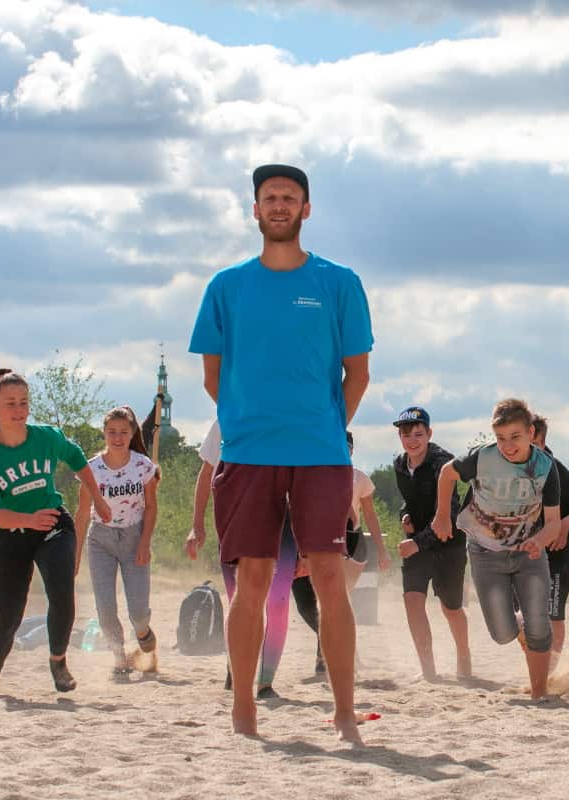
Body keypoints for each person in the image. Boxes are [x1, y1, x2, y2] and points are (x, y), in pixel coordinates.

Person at [189, 163, 373, 741]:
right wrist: (245, 426)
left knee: (328, 576)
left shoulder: (338, 282)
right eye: (269, 197)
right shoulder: (226, 286)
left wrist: (323, 426)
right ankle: (244, 710)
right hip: (247, 455)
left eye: (289, 197)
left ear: (306, 209)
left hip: (320, 454)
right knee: (253, 578)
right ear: (255, 210)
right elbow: (212, 376)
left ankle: (344, 713)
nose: (279, 205)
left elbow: (358, 373)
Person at [0, 369, 112, 694]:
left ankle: (58, 661)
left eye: (24, 402)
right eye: (10, 403)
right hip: (12, 535)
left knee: (61, 590)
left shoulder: (45, 437)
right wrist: (28, 520)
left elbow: (76, 458)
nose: (19, 410)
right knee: (6, 618)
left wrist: (98, 499)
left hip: (52, 526)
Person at [432, 398, 561, 700]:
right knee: (501, 633)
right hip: (485, 552)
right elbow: (448, 474)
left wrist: (537, 541)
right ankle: (517, 625)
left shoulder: (545, 468)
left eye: (515, 437)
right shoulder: (481, 458)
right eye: (501, 438)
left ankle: (539, 694)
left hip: (528, 553)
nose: (508, 445)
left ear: (531, 433)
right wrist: (441, 515)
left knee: (539, 625)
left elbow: (554, 523)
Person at [186, 420, 321, 695]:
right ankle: (236, 670)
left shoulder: (292, 415)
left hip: (283, 520)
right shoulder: (228, 414)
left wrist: (306, 548)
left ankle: (265, 681)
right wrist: (196, 523)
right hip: (235, 515)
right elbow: (207, 470)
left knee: (278, 601)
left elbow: (304, 486)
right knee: (240, 599)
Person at [75, 406, 159, 676]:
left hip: (134, 537)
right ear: (104, 433)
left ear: (132, 433)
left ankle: (144, 633)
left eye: (124, 432)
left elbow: (151, 507)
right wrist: (75, 556)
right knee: (106, 607)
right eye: (112, 432)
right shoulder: (91, 468)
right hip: (101, 540)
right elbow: (82, 513)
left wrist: (145, 543)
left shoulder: (143, 466)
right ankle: (119, 657)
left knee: (138, 612)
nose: (118, 437)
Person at [392, 406, 472, 680]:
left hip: (448, 543)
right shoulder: (400, 464)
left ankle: (464, 658)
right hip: (417, 542)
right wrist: (404, 514)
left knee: (450, 608)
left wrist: (417, 543)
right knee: (412, 602)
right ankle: (429, 672)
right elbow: (410, 500)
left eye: (418, 434)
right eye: (406, 434)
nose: (412, 440)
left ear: (429, 433)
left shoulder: (444, 463)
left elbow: (447, 516)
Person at [530, 415, 569, 660]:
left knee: (554, 612)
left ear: (542, 442)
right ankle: (535, 659)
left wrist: (564, 525)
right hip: (524, 550)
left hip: (557, 551)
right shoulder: (507, 469)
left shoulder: (557, 470)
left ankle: (552, 667)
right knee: (523, 610)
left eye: (531, 443)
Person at [344, 431, 391, 591]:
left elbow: (370, 516)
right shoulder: (318, 475)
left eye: (347, 446)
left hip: (353, 535)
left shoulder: (360, 478)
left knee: (346, 590)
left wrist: (381, 550)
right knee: (330, 590)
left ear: (352, 450)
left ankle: (338, 614)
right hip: (326, 535)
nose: (343, 449)